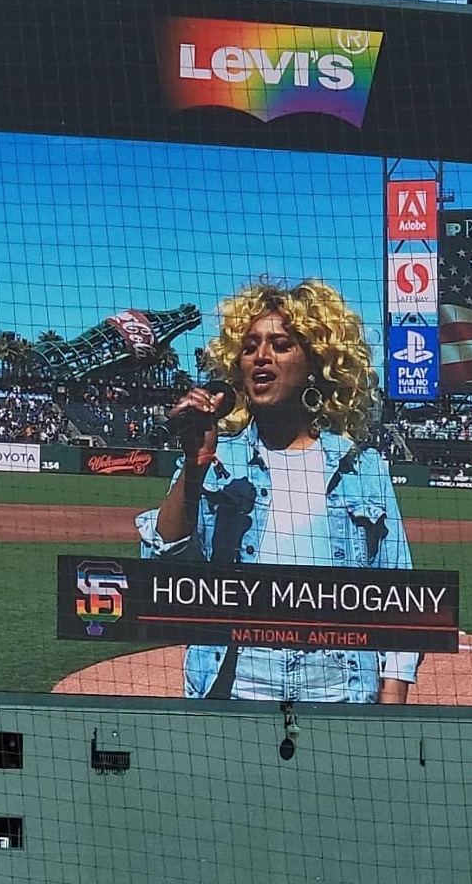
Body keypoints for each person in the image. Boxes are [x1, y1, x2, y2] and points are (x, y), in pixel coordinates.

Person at [138, 281, 419, 703]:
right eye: (249, 346)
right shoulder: (217, 462)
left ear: (315, 363)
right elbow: (161, 568)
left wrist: (392, 698)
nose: (261, 356)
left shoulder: (362, 467)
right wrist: (193, 471)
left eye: (281, 345)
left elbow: (398, 590)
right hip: (234, 686)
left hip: (338, 690)